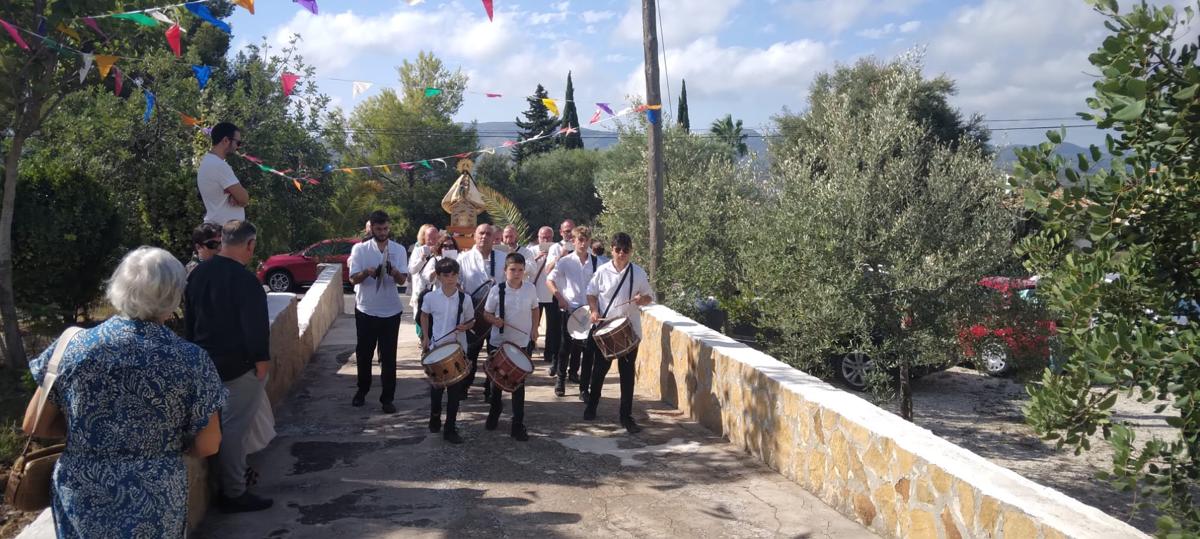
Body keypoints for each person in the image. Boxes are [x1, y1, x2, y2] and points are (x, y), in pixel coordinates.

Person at [23, 247, 224, 537]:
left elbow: (34, 424)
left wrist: (94, 432)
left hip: (81, 494)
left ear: (119, 287)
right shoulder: (191, 360)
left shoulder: (73, 347)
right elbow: (209, 444)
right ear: (174, 295)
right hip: (155, 496)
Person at [184, 219, 273, 513]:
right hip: (239, 368)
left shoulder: (197, 275)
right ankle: (234, 491)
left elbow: (190, 322)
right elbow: (255, 328)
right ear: (250, 245)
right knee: (235, 430)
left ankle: (228, 482)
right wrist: (261, 363)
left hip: (204, 365)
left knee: (216, 428)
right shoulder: (246, 281)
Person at [586, 232, 655, 433]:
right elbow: (591, 293)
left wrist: (641, 300)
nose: (621, 253)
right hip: (606, 328)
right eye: (618, 250)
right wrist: (594, 311)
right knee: (599, 371)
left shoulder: (638, 273)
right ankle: (592, 406)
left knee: (627, 374)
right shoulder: (602, 271)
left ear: (631, 251)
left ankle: (626, 416)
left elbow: (649, 297)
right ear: (612, 250)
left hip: (628, 329)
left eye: (626, 250)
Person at [347, 210, 409, 413]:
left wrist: (394, 272)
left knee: (389, 357)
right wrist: (366, 272)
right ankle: (362, 391)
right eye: (379, 229)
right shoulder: (360, 249)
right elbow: (352, 279)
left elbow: (403, 280)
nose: (383, 232)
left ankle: (387, 398)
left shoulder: (398, 249)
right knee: (364, 354)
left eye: (385, 228)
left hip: (391, 311)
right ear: (371, 228)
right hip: (366, 310)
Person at [482, 252, 540, 441]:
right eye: (513, 270)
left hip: (521, 343)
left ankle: (517, 424)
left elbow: (535, 309)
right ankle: (495, 411)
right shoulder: (497, 290)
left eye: (520, 270)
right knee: (497, 384)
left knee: (518, 385)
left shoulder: (530, 288)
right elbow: (486, 313)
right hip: (499, 343)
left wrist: (535, 329)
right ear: (505, 270)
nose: (517, 274)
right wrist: (495, 320)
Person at [419, 258, 474, 444]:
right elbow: (424, 315)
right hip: (436, 348)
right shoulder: (430, 297)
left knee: (454, 392)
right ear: (439, 277)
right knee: (436, 390)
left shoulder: (465, 299)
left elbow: (471, 321)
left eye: (453, 275)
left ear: (458, 276)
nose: (450, 279)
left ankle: (450, 428)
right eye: (446, 275)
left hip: (457, 349)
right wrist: (425, 337)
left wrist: (465, 327)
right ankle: (435, 416)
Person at [546, 226, 599, 399]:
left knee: (588, 351)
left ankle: (584, 389)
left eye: (586, 240)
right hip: (571, 310)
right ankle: (560, 380)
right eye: (580, 240)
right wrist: (559, 297)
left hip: (590, 312)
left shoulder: (597, 262)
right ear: (573, 241)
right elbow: (549, 280)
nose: (583, 244)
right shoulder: (565, 261)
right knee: (565, 347)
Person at [458, 223, 505, 398]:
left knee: (495, 353)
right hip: (473, 312)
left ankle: (491, 390)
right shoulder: (463, 258)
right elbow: (457, 284)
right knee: (470, 352)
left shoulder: (503, 258)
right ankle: (464, 387)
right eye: (481, 233)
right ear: (474, 236)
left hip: (496, 313)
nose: (484, 236)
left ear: (494, 238)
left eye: (488, 234)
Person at [197, 122, 250, 225]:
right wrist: (237, 196)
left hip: (216, 226)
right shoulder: (219, 165)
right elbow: (244, 199)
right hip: (225, 229)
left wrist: (234, 195)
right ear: (226, 140)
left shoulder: (208, 161)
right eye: (238, 143)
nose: (238, 147)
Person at [528, 226, 556, 364]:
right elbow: (525, 269)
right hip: (535, 294)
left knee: (552, 326)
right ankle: (529, 349)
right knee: (533, 323)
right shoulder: (531, 251)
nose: (545, 240)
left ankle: (549, 353)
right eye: (543, 237)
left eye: (548, 237)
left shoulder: (556, 250)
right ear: (538, 238)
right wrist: (536, 258)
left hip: (552, 294)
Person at [409, 224, 442, 327]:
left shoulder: (441, 251)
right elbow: (412, 270)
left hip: (437, 294)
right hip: (421, 292)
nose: (432, 241)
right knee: (420, 321)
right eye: (429, 238)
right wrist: (422, 259)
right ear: (424, 238)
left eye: (435, 238)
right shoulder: (418, 250)